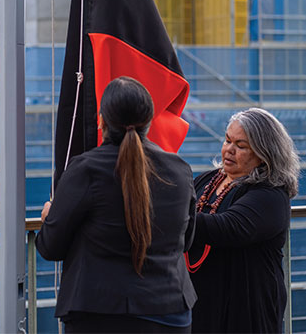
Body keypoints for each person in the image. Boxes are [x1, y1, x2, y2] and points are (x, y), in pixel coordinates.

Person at [36, 76, 197, 333]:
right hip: (169, 312)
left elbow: (50, 247)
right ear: (149, 121)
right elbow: (186, 241)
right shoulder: (180, 170)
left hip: (99, 314)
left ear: (101, 120)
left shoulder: (85, 169)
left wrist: (49, 218)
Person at [186, 108, 300, 333]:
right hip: (200, 305)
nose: (229, 150)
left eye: (241, 146)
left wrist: (171, 217)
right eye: (228, 140)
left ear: (263, 153)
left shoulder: (270, 194)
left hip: (245, 308)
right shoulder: (206, 180)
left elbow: (230, 227)